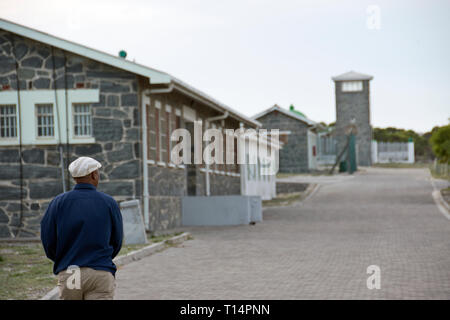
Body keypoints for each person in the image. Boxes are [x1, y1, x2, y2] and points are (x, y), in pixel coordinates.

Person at [41, 156, 123, 300]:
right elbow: (117, 240)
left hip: (70, 271)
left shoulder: (58, 202)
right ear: (94, 175)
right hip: (100, 271)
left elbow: (48, 239)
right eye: (97, 172)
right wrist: (104, 257)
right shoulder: (109, 202)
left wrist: (63, 258)